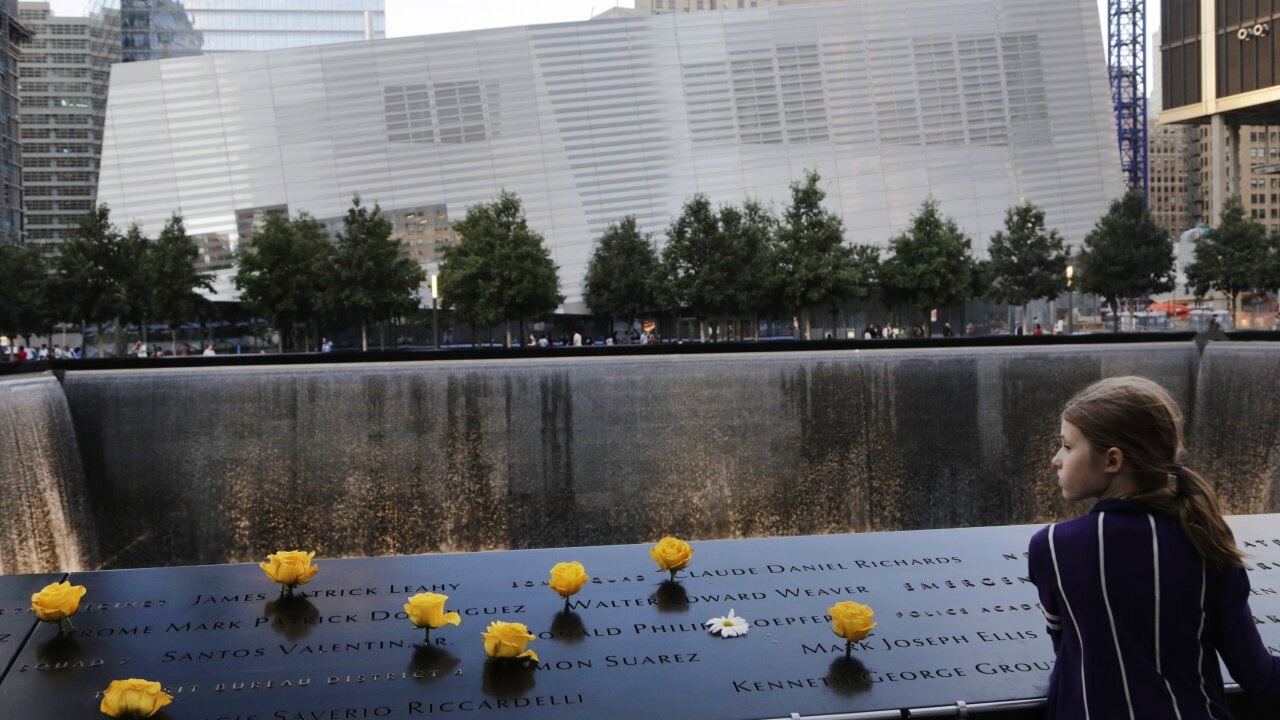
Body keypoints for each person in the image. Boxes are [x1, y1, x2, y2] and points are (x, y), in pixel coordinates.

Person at [1028, 377, 1280, 719]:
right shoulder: (1206, 538)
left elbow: (1071, 654)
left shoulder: (1054, 548)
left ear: (1113, 460)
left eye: (1068, 446)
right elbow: (1259, 676)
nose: (1057, 460)